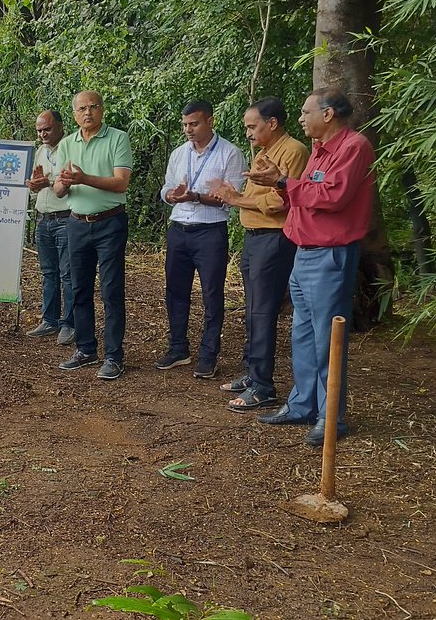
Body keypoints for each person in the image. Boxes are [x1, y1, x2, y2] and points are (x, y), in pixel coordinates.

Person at [247, 88, 375, 445]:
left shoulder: (353, 148)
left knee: (326, 339)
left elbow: (332, 197)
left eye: (305, 112)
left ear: (329, 114)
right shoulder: (319, 150)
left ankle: (331, 417)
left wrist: (285, 182)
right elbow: (305, 193)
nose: (300, 119)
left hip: (330, 254)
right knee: (302, 335)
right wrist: (282, 184)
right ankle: (303, 404)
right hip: (303, 251)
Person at [209, 96, 309, 411]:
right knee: (253, 310)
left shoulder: (293, 151)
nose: (249, 133)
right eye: (247, 128)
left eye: (253, 126)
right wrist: (237, 197)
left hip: (274, 238)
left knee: (264, 311)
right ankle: (253, 374)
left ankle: (264, 386)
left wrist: (235, 199)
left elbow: (282, 202)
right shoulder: (265, 153)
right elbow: (257, 197)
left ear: (272, 123)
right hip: (254, 238)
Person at [156, 100, 246, 380]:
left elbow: (230, 199)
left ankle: (208, 355)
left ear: (210, 121)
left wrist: (195, 196)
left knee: (211, 294)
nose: (188, 130)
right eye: (184, 124)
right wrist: (171, 196)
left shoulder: (230, 154)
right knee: (175, 291)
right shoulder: (179, 153)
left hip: (210, 232)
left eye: (194, 123)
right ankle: (178, 348)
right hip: (179, 229)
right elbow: (167, 189)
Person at [53, 91, 133, 380]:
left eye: (93, 107)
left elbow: (121, 183)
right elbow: (59, 191)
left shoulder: (117, 138)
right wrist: (62, 184)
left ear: (102, 110)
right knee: (79, 289)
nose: (88, 113)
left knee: (111, 290)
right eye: (82, 109)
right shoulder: (66, 144)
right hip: (76, 223)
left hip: (109, 223)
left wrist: (84, 177)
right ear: (74, 114)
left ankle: (113, 356)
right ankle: (86, 349)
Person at [24, 110, 75, 346]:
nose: (43, 134)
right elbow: (38, 183)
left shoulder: (71, 148)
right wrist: (34, 185)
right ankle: (49, 320)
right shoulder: (40, 151)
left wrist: (49, 182)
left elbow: (72, 182)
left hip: (65, 217)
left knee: (68, 274)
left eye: (47, 129)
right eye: (39, 130)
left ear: (60, 127)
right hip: (43, 218)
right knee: (48, 273)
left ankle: (70, 323)